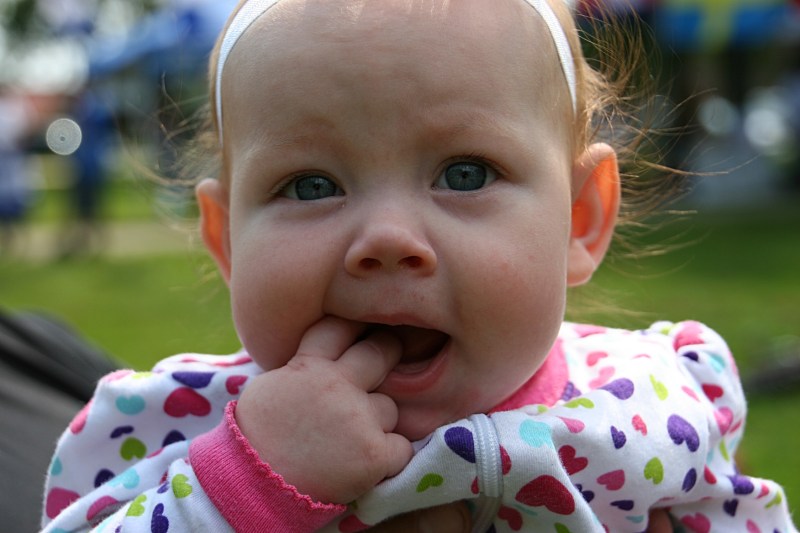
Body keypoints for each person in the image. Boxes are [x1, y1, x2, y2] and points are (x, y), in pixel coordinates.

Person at [41, 0, 798, 532]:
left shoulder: (654, 398)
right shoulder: (175, 430)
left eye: (464, 173)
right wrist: (240, 489)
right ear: (229, 241)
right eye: (311, 185)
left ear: (579, 219)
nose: (388, 237)